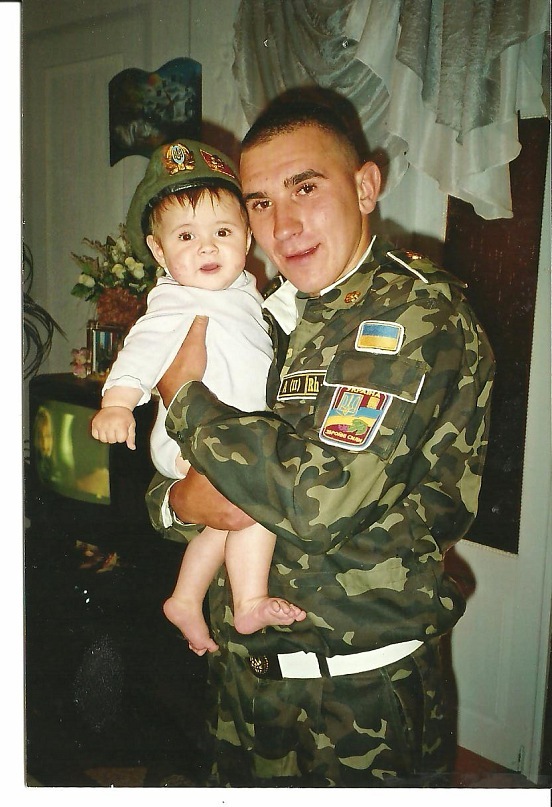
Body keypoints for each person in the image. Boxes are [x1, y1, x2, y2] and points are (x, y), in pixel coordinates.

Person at [146, 98, 495, 787]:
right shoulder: (265, 317)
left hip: (353, 700)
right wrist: (179, 504)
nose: (284, 224)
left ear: (365, 186)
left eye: (305, 187)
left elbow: (317, 504)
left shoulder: (412, 314)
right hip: (244, 679)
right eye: (261, 202)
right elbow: (181, 483)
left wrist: (185, 398)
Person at [91, 139, 306, 655]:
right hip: (190, 438)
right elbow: (140, 352)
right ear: (159, 252)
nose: (207, 248)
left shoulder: (242, 291)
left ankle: (187, 598)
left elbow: (274, 324)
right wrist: (118, 403)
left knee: (231, 516)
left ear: (247, 238)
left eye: (223, 233)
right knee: (256, 499)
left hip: (231, 434)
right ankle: (248, 600)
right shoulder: (174, 302)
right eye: (186, 236)